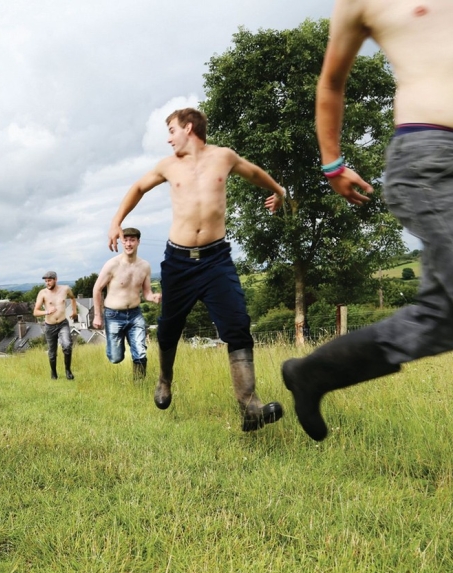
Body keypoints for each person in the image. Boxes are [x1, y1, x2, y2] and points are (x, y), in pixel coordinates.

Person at [283, 0, 453, 441]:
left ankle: (313, 373)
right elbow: (331, 82)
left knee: (440, 318)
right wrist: (332, 164)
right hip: (431, 158)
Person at [107, 107, 285, 432]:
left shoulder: (224, 157)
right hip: (178, 262)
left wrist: (279, 191)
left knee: (237, 325)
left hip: (217, 260)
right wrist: (117, 222)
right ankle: (164, 380)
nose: (168, 137)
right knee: (168, 328)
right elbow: (137, 188)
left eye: (172, 130)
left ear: (189, 128)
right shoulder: (168, 165)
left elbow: (255, 172)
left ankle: (250, 406)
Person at [92, 227, 161, 381]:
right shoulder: (112, 264)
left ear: (138, 242)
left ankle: (139, 385)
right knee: (115, 358)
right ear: (121, 242)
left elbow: (147, 293)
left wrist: (154, 297)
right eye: (126, 240)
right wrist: (97, 316)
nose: (129, 244)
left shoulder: (145, 266)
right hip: (114, 315)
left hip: (135, 315)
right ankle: (117, 348)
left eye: (132, 240)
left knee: (140, 352)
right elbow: (97, 289)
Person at [33, 271, 78, 380]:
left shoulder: (65, 289)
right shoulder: (42, 293)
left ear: (55, 279)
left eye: (49, 280)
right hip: (50, 326)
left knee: (67, 346)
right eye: (46, 281)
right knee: (52, 353)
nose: (47, 283)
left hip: (63, 323)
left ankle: (68, 370)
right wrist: (47, 311)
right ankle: (53, 372)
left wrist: (74, 311)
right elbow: (35, 312)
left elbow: (72, 298)